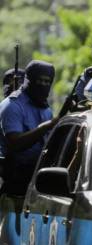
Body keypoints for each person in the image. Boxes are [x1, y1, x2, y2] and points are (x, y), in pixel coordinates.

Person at [0, 60, 58, 194]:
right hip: (14, 181)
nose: (43, 85)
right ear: (28, 79)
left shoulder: (44, 108)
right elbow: (15, 143)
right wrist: (46, 127)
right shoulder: (12, 105)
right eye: (40, 81)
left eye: (47, 82)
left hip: (38, 179)